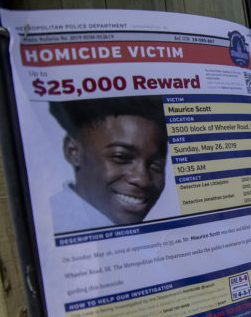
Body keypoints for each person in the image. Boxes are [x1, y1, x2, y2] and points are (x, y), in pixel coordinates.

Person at [48, 97, 168, 233]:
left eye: (156, 165)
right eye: (121, 157)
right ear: (73, 152)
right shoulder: (47, 226)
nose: (143, 180)